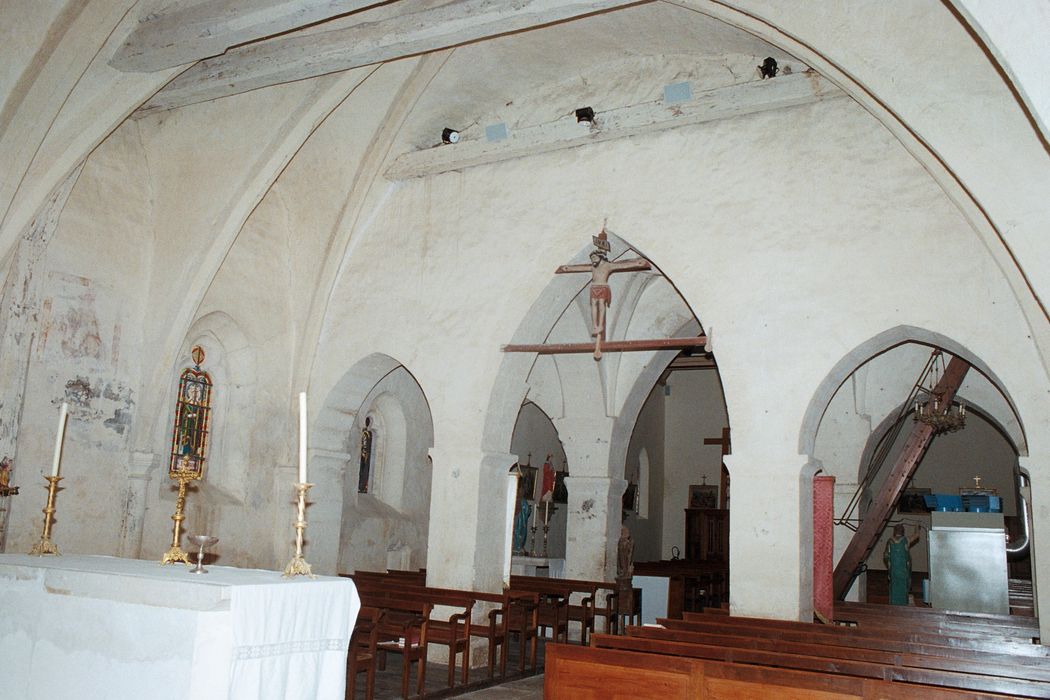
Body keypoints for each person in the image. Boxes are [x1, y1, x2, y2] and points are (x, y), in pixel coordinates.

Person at [555, 232, 651, 359]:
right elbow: (579, 268)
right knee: (594, 305)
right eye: (592, 259)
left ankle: (600, 325)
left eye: (595, 258)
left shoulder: (608, 265)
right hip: (594, 288)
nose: (593, 261)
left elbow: (623, 264)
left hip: (603, 287)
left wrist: (638, 263)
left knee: (601, 305)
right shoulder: (592, 267)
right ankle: (595, 325)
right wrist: (566, 268)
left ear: (600, 257)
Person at [883, 523, 919, 605]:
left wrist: (890, 568)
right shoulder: (906, 540)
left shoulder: (890, 541)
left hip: (894, 571)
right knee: (904, 590)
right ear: (903, 531)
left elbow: (885, 556)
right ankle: (903, 607)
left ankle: (894, 607)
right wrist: (917, 526)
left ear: (894, 531)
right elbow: (916, 535)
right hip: (904, 571)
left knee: (894, 589)